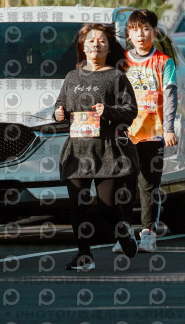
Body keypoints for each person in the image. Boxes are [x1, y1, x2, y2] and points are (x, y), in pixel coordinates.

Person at [54, 23, 139, 271]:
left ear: (109, 47)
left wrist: (108, 111)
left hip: (107, 150)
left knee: (106, 206)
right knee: (78, 206)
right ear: (83, 46)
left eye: (101, 41)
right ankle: (84, 256)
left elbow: (130, 111)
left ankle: (123, 230)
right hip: (77, 150)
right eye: (90, 41)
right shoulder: (72, 77)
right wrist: (58, 113)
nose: (96, 45)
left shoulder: (116, 77)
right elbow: (60, 105)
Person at [117, 9, 178, 253]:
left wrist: (169, 128)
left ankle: (148, 234)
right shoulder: (121, 62)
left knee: (148, 185)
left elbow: (171, 97)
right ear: (128, 34)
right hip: (126, 134)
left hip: (153, 133)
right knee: (124, 184)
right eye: (135, 30)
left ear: (155, 31)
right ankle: (124, 235)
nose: (140, 35)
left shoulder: (164, 62)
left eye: (145, 29)